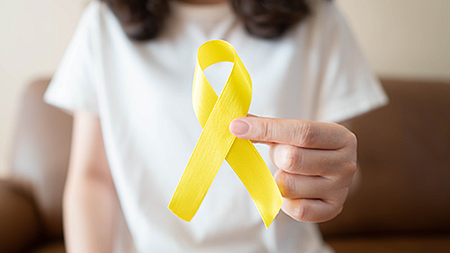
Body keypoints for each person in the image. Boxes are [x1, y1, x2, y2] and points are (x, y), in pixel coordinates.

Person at [44, 0, 388, 252]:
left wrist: (330, 178)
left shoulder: (319, 18)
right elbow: (93, 178)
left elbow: (337, 168)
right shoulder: (102, 24)